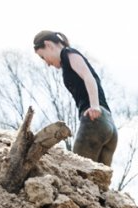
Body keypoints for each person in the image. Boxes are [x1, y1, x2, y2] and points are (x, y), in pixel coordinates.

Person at [32, 31, 117, 166]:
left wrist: (94, 105)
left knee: (77, 169)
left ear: (48, 45)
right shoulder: (68, 58)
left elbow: (88, 76)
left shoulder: (68, 54)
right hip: (109, 125)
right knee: (99, 181)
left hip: (94, 120)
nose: (47, 63)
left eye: (43, 57)